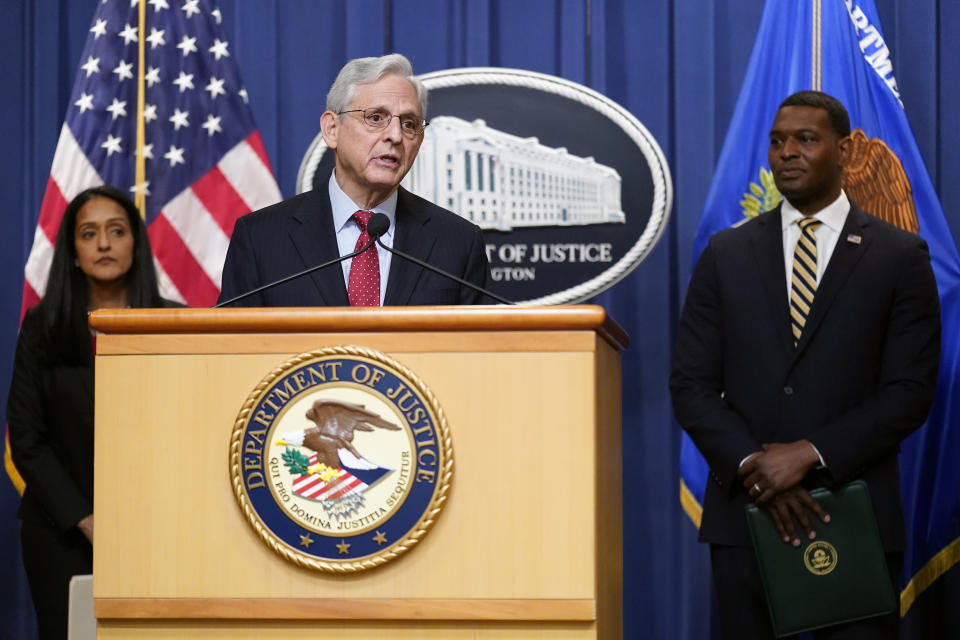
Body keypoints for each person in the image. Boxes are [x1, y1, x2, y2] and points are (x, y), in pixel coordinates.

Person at [670, 91, 941, 639]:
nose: (786, 152)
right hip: (747, 516)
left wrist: (809, 456)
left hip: (852, 513)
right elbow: (691, 385)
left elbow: (910, 390)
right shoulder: (725, 253)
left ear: (843, 151)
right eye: (776, 141)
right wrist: (755, 465)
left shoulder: (898, 255)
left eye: (804, 140)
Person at [7, 185, 177, 640]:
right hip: (60, 533)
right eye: (89, 233)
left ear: (135, 244)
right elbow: (27, 438)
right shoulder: (43, 328)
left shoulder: (176, 326)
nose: (104, 244)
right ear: (72, 251)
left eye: (116, 231)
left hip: (157, 531)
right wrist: (86, 520)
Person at [218, 53, 492, 307]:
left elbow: (481, 353)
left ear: (418, 141)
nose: (395, 136)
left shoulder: (458, 243)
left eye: (408, 124)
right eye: (375, 117)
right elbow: (229, 351)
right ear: (332, 129)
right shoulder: (261, 239)